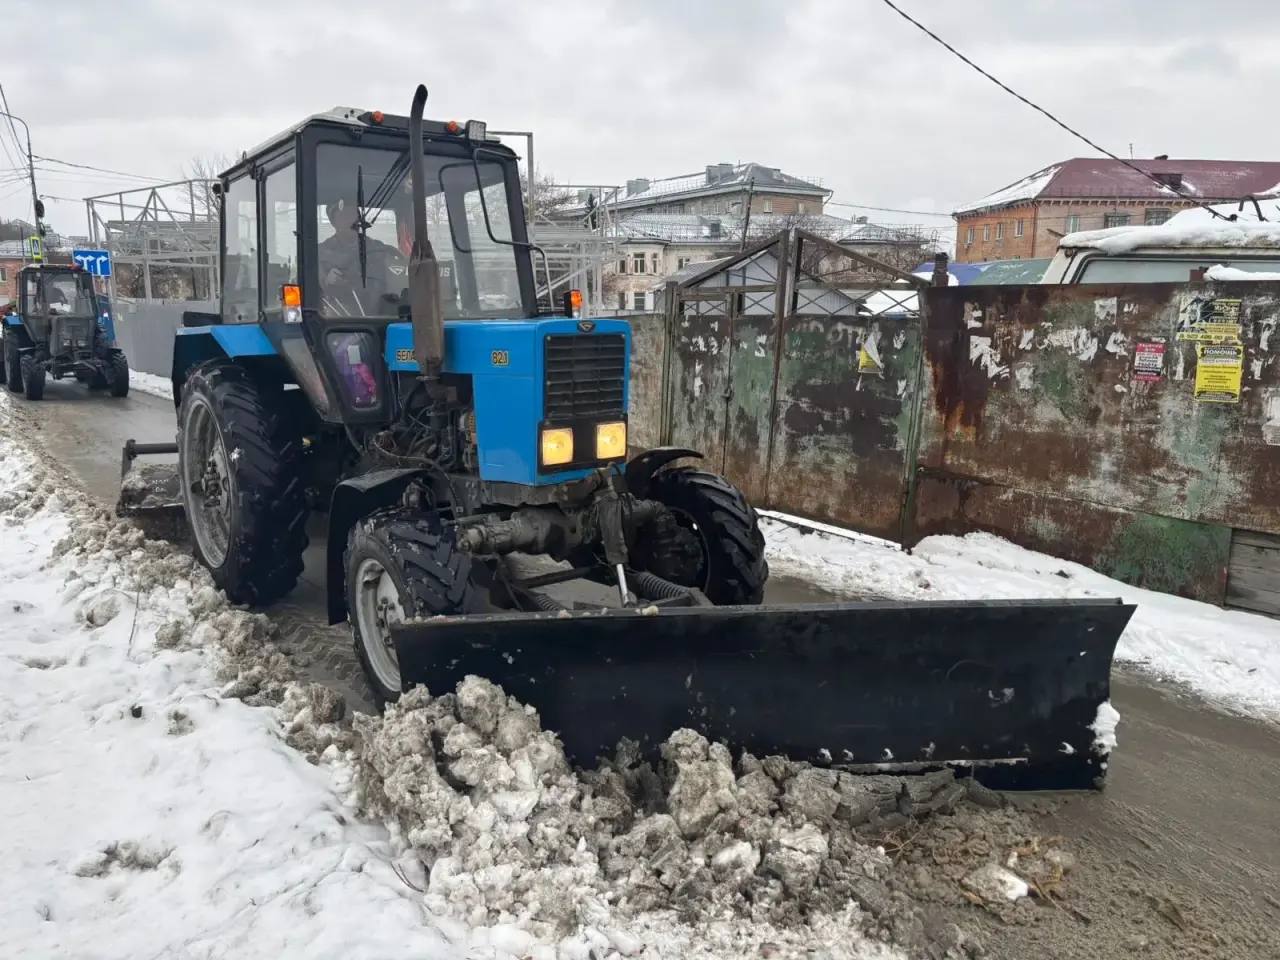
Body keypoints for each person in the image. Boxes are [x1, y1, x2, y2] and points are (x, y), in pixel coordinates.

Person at [317, 197, 407, 316]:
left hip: (380, 315)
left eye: (353, 215)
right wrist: (326, 281)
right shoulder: (321, 252)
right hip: (337, 320)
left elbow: (399, 274)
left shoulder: (379, 249)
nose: (351, 220)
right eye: (344, 216)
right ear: (334, 222)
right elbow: (309, 287)